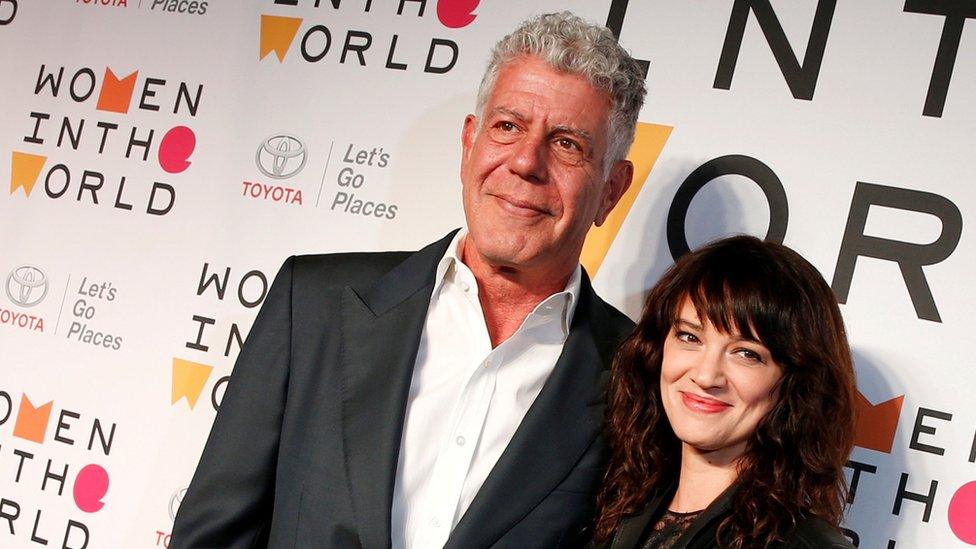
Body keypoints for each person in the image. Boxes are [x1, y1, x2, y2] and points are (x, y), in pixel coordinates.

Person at [171, 11, 647, 549]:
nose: (525, 162)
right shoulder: (314, 304)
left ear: (611, 189)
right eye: (507, 126)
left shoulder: (637, 376)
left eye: (567, 144)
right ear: (470, 144)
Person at [591, 236, 857, 548]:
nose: (706, 376)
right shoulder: (620, 504)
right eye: (690, 337)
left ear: (794, 384)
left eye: (746, 353)